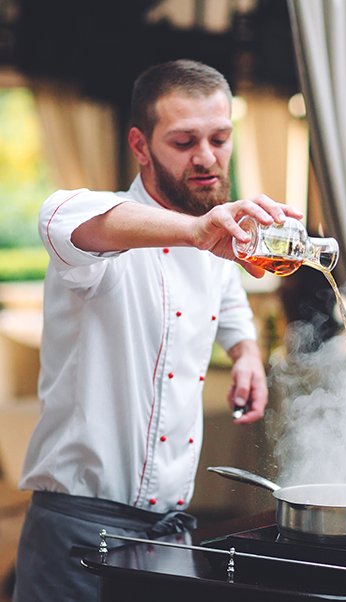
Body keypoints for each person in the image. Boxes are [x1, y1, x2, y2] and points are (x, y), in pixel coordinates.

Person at [13, 58, 303, 601]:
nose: (206, 157)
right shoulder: (104, 227)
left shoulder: (215, 240)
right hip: (76, 527)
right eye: (184, 141)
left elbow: (228, 298)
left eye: (220, 139)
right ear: (140, 145)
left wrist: (245, 353)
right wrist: (197, 230)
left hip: (167, 534)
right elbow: (56, 215)